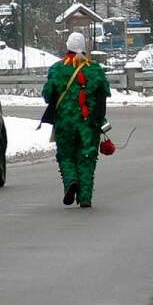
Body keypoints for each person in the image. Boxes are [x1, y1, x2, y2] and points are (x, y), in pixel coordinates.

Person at [42, 32, 110, 208]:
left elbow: (48, 95)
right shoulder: (96, 70)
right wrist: (97, 119)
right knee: (87, 158)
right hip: (89, 123)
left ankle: (71, 181)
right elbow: (102, 98)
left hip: (65, 123)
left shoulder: (57, 69)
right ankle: (85, 196)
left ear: (68, 46)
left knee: (66, 156)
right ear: (84, 47)